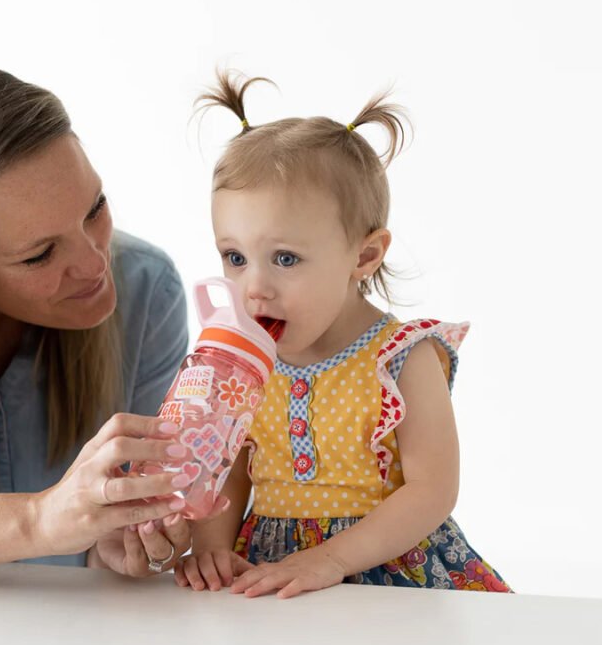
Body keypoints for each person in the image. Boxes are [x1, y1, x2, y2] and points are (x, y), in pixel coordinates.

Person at [174, 71, 511, 598]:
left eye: (285, 258)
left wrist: (329, 560)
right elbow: (229, 470)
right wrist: (213, 547)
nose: (254, 288)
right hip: (273, 571)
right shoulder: (243, 364)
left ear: (364, 255)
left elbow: (433, 490)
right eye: (235, 257)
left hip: (385, 574)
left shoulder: (401, 358)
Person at [0, 62, 222, 578]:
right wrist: (38, 520)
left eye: (95, 208)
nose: (97, 264)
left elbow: (109, 534)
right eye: (40, 254)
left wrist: (117, 545)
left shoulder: (147, 290)